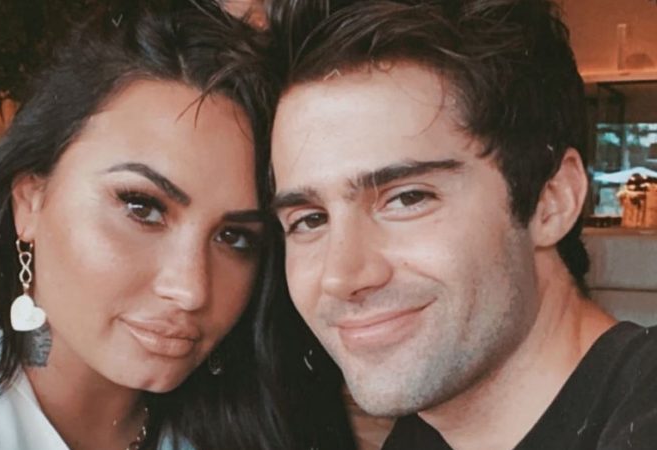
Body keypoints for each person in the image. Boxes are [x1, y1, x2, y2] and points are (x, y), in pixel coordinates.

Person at [0, 2, 289, 449]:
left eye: (234, 237)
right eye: (142, 208)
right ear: (30, 202)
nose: (191, 289)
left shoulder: (235, 427)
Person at [263, 0, 657, 449]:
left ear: (552, 201)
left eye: (408, 198)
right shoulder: (422, 432)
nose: (341, 277)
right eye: (310, 219)